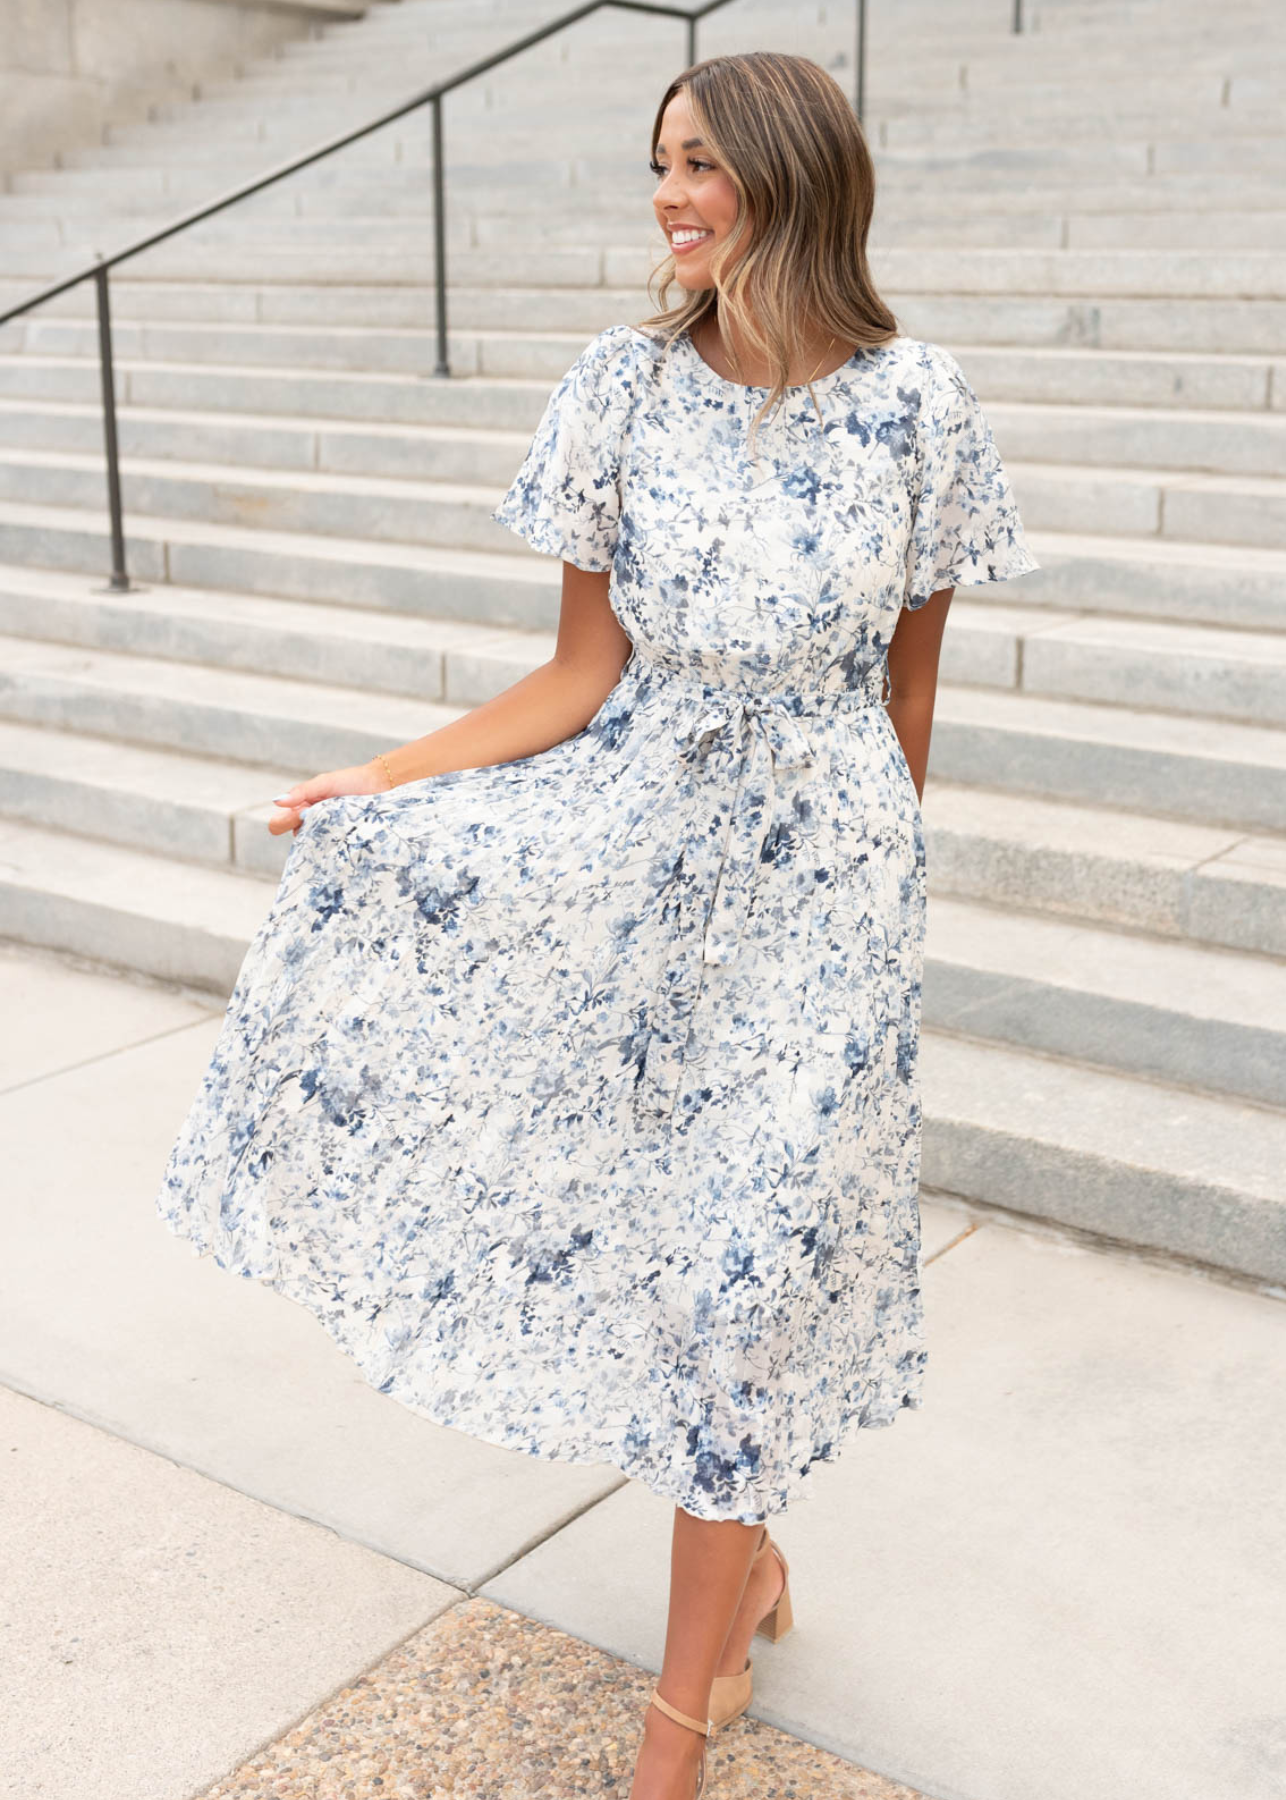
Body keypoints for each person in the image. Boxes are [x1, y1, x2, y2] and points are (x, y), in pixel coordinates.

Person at [153, 48, 1039, 1800]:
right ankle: (753, 1572)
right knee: (685, 1258)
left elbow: (904, 704)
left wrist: (871, 919)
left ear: (785, 175)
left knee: (749, 1269)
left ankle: (669, 1731)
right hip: (639, 859)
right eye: (660, 164)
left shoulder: (919, 405)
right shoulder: (617, 392)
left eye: (699, 163)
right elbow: (577, 673)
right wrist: (383, 779)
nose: (667, 195)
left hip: (831, 897)